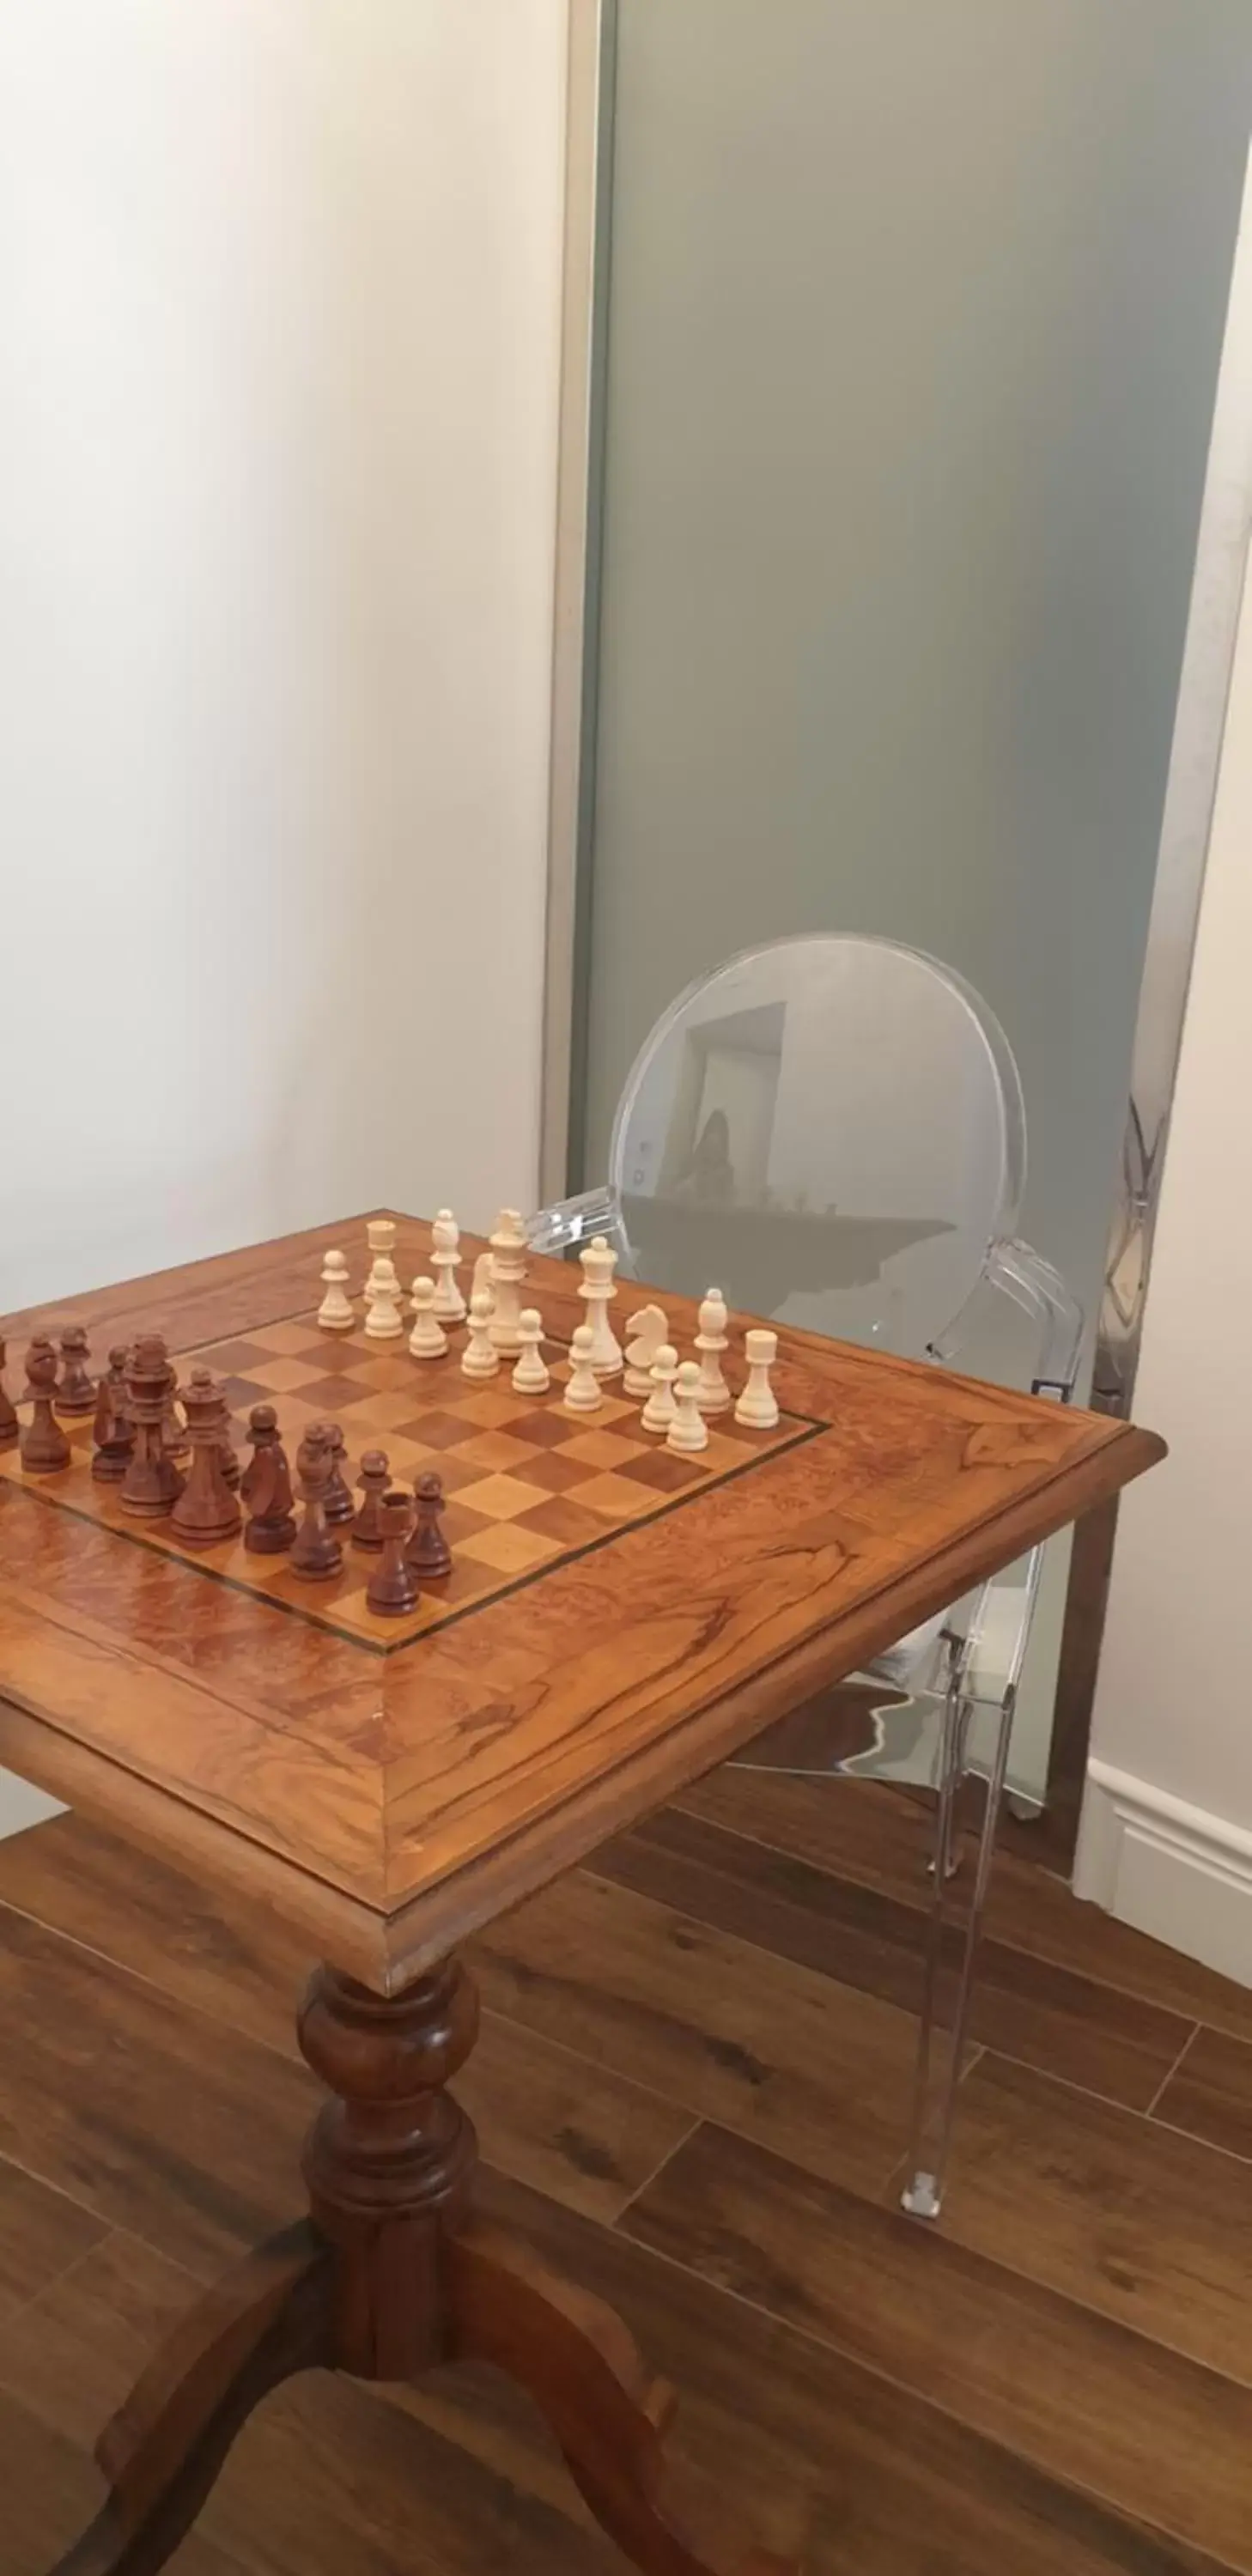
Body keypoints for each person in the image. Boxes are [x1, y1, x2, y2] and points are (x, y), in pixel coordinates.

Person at [673, 1107, 736, 1206]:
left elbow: (728, 1206)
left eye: (717, 1145)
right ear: (704, 1139)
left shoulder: (727, 1172)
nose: (713, 1147)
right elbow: (674, 1194)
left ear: (723, 1144)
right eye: (710, 1142)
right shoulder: (691, 1163)